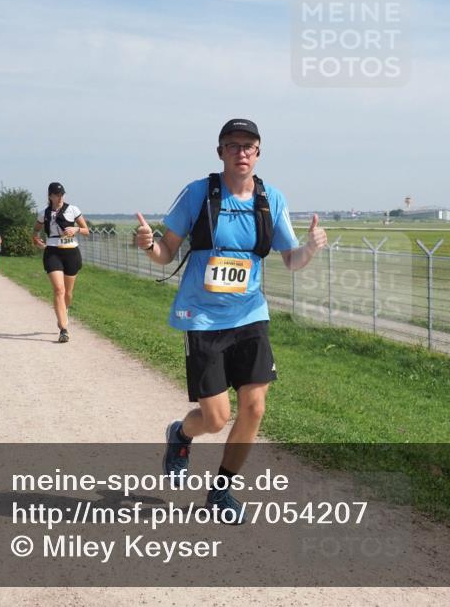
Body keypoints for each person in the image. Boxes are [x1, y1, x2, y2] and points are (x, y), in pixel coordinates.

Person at [135, 118, 327, 524]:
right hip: (202, 316)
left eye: (249, 146)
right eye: (233, 145)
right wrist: (149, 244)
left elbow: (291, 260)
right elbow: (166, 253)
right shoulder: (198, 194)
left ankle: (221, 490)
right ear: (219, 151)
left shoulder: (270, 200)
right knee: (217, 418)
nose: (241, 152)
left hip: (250, 314)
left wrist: (309, 248)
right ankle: (182, 434)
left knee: (254, 408)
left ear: (258, 153)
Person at [33, 182, 89, 343]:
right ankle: (64, 329)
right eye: (57, 195)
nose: (60, 197)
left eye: (62, 194)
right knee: (59, 289)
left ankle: (64, 312)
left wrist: (76, 229)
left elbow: (86, 231)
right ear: (50, 196)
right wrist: (36, 238)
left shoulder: (73, 210)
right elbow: (36, 230)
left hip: (71, 251)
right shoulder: (43, 213)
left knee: (68, 294)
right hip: (52, 251)